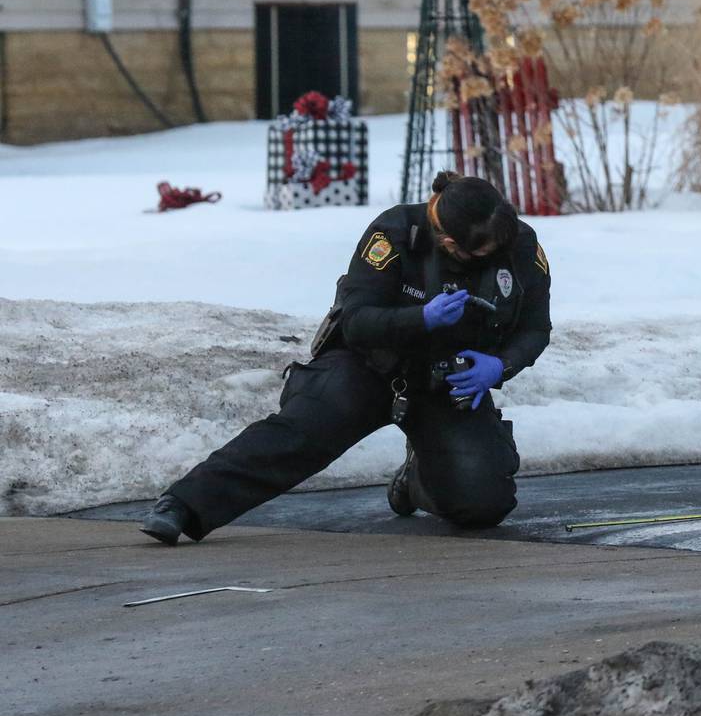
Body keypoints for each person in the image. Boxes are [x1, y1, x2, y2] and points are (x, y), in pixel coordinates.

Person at [140, 172, 552, 545]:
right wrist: (419, 318)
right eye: (482, 253)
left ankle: (417, 481)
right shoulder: (394, 235)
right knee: (297, 434)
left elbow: (535, 329)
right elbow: (356, 321)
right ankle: (183, 504)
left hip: (448, 382)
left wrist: (501, 365)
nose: (495, 255)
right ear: (449, 242)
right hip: (370, 366)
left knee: (483, 503)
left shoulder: (520, 247)